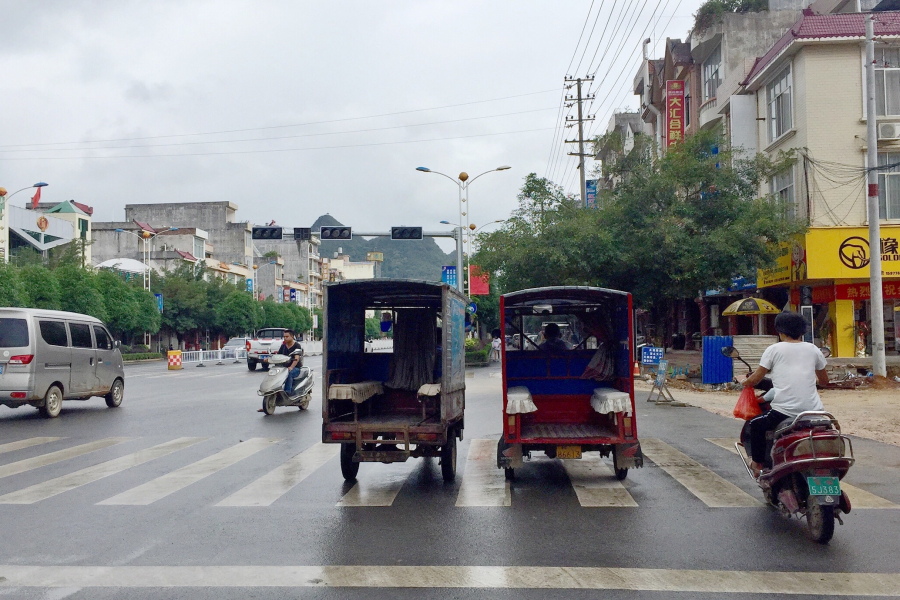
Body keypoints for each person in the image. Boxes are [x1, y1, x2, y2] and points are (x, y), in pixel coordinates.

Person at [742, 311, 828, 477]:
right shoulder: (813, 349)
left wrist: (744, 383)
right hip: (814, 411)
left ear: (780, 331)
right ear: (802, 331)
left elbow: (756, 378)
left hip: (785, 412)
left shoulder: (774, 349)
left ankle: (758, 464)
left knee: (756, 425)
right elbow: (824, 381)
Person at [266, 329, 304, 393]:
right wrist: (269, 359)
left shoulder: (297, 345)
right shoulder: (283, 346)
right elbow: (278, 355)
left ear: (292, 337)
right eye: (284, 337)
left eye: (287, 336)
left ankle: (287, 392)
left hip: (295, 368)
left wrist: (291, 367)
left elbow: (296, 358)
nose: (285, 338)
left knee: (288, 373)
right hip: (283, 368)